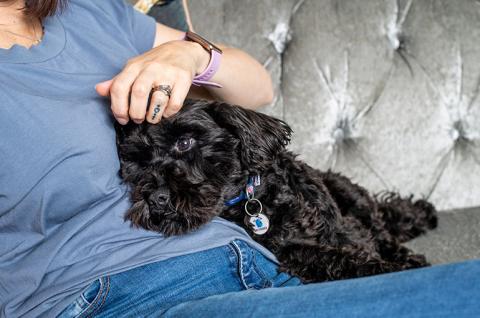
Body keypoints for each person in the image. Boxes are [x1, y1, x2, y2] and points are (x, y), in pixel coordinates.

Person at [0, 0, 478, 317]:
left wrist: (187, 56)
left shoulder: (93, 11)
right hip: (131, 294)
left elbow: (258, 89)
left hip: (254, 256)